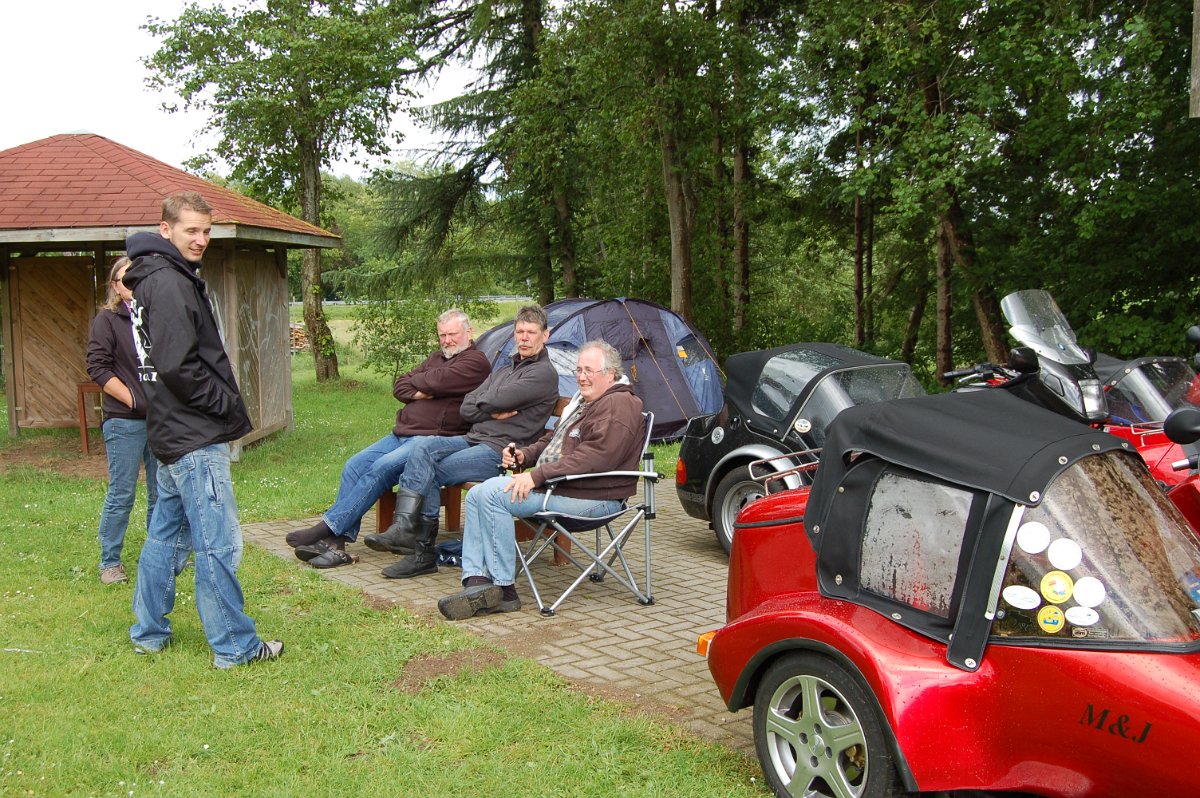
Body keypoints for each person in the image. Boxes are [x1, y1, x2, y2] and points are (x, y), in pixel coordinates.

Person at [122, 191, 283, 668]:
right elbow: (176, 367)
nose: (201, 239)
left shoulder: (154, 276)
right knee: (217, 542)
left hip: (171, 431)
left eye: (207, 231)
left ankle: (148, 631)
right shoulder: (168, 282)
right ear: (166, 228)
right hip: (193, 435)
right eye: (191, 230)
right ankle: (234, 646)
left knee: (165, 536)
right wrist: (223, 406)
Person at [438, 340, 645, 619]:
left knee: (493, 495)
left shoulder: (619, 405)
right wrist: (524, 456)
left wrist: (536, 476)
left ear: (610, 374)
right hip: (563, 489)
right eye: (578, 370)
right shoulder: (584, 402)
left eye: (589, 371)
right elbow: (552, 440)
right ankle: (477, 583)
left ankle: (504, 591)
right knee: (477, 494)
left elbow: (596, 458)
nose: (581, 377)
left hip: (594, 499)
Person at [362, 304, 559, 580]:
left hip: (499, 452)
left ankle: (421, 551)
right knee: (422, 446)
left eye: (531, 332)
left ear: (545, 336)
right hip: (472, 438)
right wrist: (489, 406)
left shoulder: (542, 373)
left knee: (425, 467)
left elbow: (493, 399)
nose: (524, 338)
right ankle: (405, 529)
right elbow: (467, 407)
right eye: (520, 331)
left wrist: (487, 403)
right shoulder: (506, 369)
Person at [284, 309, 491, 568]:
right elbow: (400, 385)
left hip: (431, 440)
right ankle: (337, 543)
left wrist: (423, 384)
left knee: (381, 469)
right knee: (354, 465)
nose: (447, 340)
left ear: (468, 333)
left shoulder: (476, 362)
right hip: (401, 434)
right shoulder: (436, 357)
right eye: (442, 335)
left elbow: (438, 380)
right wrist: (423, 388)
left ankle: (327, 528)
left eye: (452, 334)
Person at [86, 257, 159, 585]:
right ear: (115, 286)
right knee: (123, 492)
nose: (133, 285)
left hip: (162, 419)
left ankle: (160, 555)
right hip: (124, 421)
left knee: (164, 491)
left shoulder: (154, 316)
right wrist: (134, 400)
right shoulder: (107, 319)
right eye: (126, 280)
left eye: (139, 279)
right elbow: (98, 368)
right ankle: (110, 562)